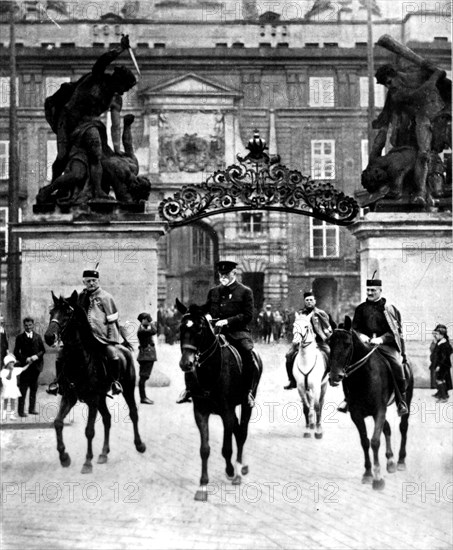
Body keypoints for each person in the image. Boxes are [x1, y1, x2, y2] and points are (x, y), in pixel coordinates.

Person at [45, 34, 136, 198]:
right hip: (68, 120)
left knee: (97, 155)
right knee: (62, 155)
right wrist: (120, 49)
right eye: (125, 87)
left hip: (90, 124)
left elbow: (116, 126)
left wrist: (116, 150)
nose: (124, 91)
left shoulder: (114, 98)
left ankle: (97, 191)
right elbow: (101, 62)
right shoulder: (97, 78)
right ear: (118, 79)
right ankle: (55, 186)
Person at [177, 260, 259, 407]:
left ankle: (247, 393)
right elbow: (207, 308)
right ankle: (189, 389)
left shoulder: (245, 291)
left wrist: (227, 321)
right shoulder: (214, 291)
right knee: (193, 351)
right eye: (221, 274)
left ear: (234, 273)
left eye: (226, 274)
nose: (223, 277)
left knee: (247, 354)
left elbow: (248, 315)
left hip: (237, 332)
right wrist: (201, 314)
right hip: (215, 332)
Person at [372, 63, 449, 205]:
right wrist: (434, 78)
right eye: (386, 86)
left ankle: (425, 191)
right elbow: (419, 94)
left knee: (427, 154)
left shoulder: (417, 75)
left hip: (437, 116)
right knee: (423, 154)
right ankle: (420, 192)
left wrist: (436, 72)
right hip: (419, 120)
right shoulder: (396, 94)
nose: (390, 87)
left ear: (395, 74)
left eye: (389, 82)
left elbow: (444, 80)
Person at [338, 276, 409, 416]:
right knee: (347, 365)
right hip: (366, 345)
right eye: (368, 290)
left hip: (386, 345)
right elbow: (355, 328)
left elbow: (395, 332)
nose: (370, 293)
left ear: (380, 291)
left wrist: (381, 339)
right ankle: (347, 398)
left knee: (396, 365)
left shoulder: (389, 309)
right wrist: (361, 336)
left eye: (373, 290)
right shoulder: (360, 308)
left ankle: (401, 401)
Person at [47, 268, 123, 396]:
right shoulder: (81, 297)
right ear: (84, 282)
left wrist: (111, 340)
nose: (91, 283)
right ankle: (58, 383)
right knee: (61, 352)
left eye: (94, 280)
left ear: (98, 281)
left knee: (111, 352)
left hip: (101, 336)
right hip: (84, 336)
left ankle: (114, 382)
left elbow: (112, 320)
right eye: (88, 281)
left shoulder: (106, 297)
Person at [284, 292, 335, 390]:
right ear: (304, 301)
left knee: (329, 353)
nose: (309, 302)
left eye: (311, 300)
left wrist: (327, 336)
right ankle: (292, 380)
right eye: (307, 300)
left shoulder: (321, 313)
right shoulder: (300, 314)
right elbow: (296, 328)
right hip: (303, 343)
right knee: (289, 355)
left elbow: (329, 326)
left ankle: (330, 377)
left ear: (315, 301)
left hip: (319, 342)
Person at [13, 317, 46, 417]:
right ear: (24, 326)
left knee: (34, 388)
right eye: (26, 325)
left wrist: (37, 356)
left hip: (36, 367)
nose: (28, 327)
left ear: (33, 325)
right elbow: (16, 352)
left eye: (30, 325)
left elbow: (43, 350)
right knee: (23, 389)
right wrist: (25, 358)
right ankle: (21, 411)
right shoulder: (20, 337)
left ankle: (32, 409)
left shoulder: (38, 336)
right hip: (25, 367)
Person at [1, 354, 31, 421]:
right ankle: (4, 415)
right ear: (7, 364)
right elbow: (8, 378)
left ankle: (12, 415)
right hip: (7, 389)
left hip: (13, 388)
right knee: (5, 402)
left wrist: (29, 364)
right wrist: (11, 371)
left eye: (13, 363)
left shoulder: (15, 370)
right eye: (11, 363)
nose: (12, 364)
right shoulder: (3, 371)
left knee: (13, 401)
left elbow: (22, 369)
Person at [136, 312, 157, 405]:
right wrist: (151, 323)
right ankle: (143, 397)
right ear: (142, 320)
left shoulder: (144, 328)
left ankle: (143, 397)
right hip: (145, 356)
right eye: (146, 319)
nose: (148, 321)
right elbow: (153, 331)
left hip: (147, 356)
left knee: (144, 377)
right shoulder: (141, 330)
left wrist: (150, 323)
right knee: (143, 378)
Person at [429, 324, 452, 403]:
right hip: (440, 364)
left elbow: (443, 357)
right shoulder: (440, 342)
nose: (435, 335)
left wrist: (439, 365)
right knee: (440, 379)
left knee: (440, 380)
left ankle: (444, 397)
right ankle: (441, 393)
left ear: (442, 335)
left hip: (443, 365)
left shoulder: (444, 344)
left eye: (437, 334)